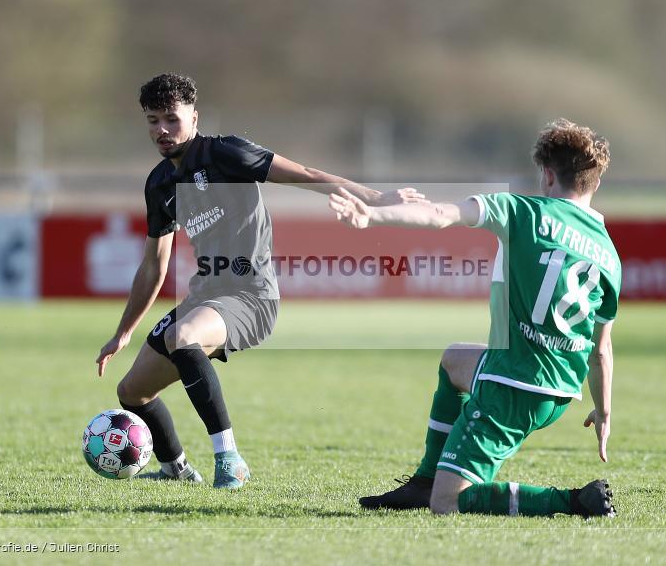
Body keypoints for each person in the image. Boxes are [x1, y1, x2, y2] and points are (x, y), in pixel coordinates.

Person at [96, 72, 424, 489]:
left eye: (171, 119)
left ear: (194, 118)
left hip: (250, 296)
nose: (161, 129)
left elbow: (305, 173)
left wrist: (377, 199)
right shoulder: (159, 184)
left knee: (183, 337)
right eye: (152, 120)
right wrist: (124, 332)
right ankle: (177, 470)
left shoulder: (226, 153)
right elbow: (153, 266)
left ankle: (228, 458)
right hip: (205, 297)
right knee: (132, 392)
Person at [329, 118, 620, 516]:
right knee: (455, 361)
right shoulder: (608, 253)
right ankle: (425, 481)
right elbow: (601, 351)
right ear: (595, 182)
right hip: (560, 391)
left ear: (548, 175)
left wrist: (372, 217)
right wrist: (603, 412)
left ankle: (571, 501)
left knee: (448, 503)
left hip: (514, 386)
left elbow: (439, 215)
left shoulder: (522, 211)